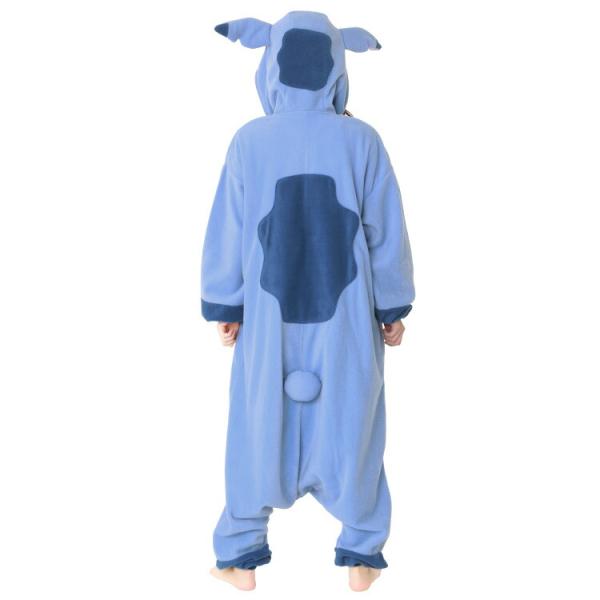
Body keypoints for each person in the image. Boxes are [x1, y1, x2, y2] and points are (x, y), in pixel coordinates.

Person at [201, 11, 415, 592]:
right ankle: (362, 551)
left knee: (257, 419)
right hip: (347, 316)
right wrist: (392, 306)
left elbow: (230, 228)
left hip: (267, 317)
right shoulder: (362, 140)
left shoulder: (249, 141)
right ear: (336, 67)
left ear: (272, 67)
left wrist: (225, 305)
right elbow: (384, 230)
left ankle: (240, 554)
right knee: (354, 419)